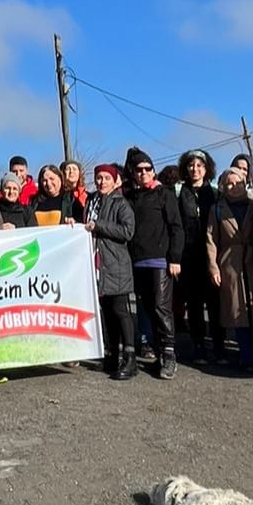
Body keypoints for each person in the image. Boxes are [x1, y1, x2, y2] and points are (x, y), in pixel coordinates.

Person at [124, 148, 184, 380]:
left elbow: (176, 227)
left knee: (161, 307)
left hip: (160, 261)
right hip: (138, 261)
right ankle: (158, 351)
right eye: (139, 170)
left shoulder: (164, 194)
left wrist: (175, 258)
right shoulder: (130, 197)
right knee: (148, 309)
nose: (144, 173)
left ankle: (169, 353)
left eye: (148, 169)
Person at [205, 168, 253, 372]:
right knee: (237, 311)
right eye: (228, 183)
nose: (233, 187)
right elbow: (211, 240)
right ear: (222, 186)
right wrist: (213, 266)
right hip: (229, 261)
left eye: (237, 182)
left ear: (244, 183)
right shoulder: (217, 209)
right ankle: (247, 356)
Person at [87, 163, 138, 380]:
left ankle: (130, 357)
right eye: (99, 178)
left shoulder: (121, 203)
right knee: (107, 312)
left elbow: (127, 231)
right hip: (98, 265)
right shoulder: (92, 201)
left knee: (120, 311)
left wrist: (99, 226)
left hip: (116, 264)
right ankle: (112, 355)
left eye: (106, 178)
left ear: (114, 180)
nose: (102, 182)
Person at [175, 149, 219, 364]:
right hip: (188, 254)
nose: (195, 169)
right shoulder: (178, 192)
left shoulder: (216, 192)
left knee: (215, 301)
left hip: (213, 254)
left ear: (206, 168)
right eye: (191, 165)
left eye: (199, 165)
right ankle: (198, 344)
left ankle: (219, 345)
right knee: (193, 303)